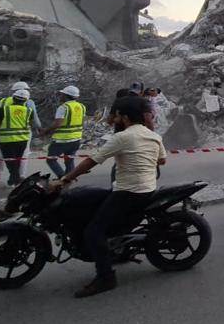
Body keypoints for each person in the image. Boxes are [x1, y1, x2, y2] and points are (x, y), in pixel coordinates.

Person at [51, 96, 165, 298]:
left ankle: (106, 278)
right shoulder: (154, 136)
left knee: (93, 232)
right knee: (85, 198)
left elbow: (92, 161)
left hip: (128, 193)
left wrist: (66, 179)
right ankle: (115, 249)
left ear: (125, 117)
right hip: (145, 189)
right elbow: (161, 160)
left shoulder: (122, 137)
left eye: (118, 116)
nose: (116, 119)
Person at [0, 81, 42, 183]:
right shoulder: (29, 102)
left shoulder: (3, 101)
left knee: (2, 154)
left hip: (5, 133)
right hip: (23, 135)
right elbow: (35, 120)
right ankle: (20, 175)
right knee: (23, 156)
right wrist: (40, 130)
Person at [41, 86, 85, 178]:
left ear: (66, 95)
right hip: (76, 139)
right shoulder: (81, 106)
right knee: (69, 160)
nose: (61, 96)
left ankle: (62, 178)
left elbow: (57, 124)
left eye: (62, 94)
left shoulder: (63, 107)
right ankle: (69, 178)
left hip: (62, 140)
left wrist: (46, 131)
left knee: (51, 160)